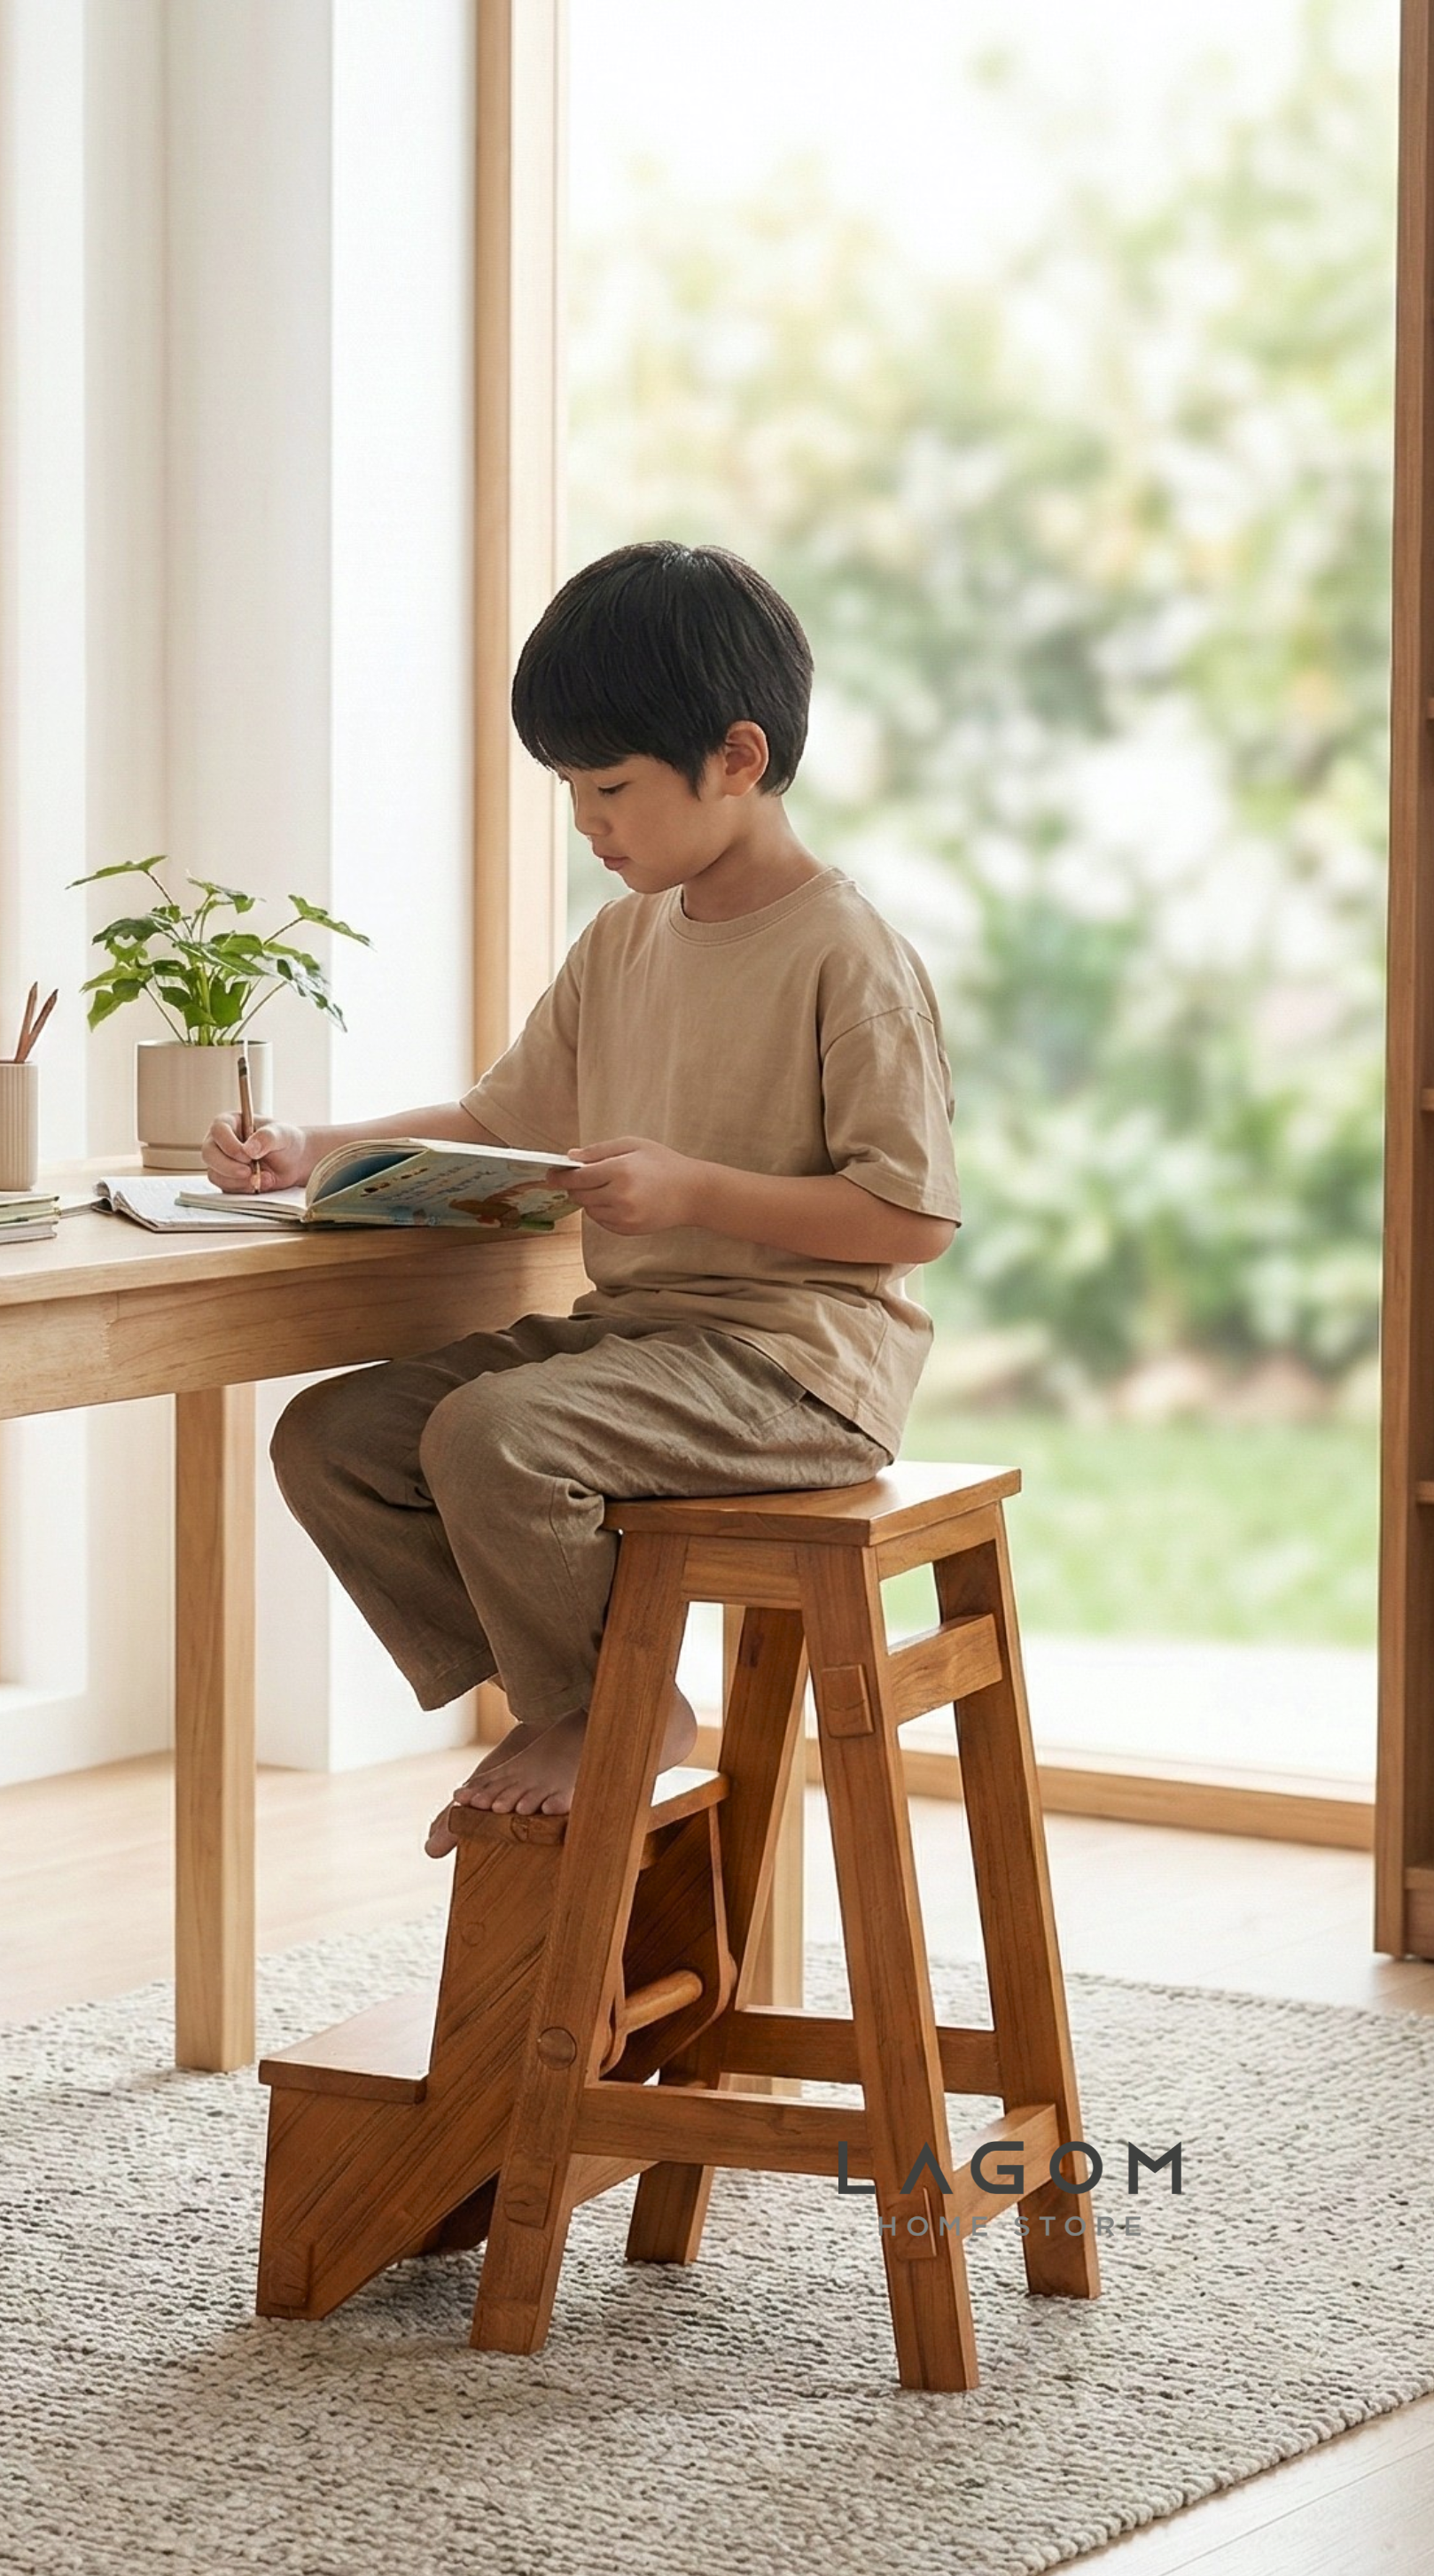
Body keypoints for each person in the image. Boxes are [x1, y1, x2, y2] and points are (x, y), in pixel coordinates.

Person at [204, 541, 960, 1856]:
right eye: (567, 787)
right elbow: (504, 1121)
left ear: (736, 756)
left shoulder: (848, 955)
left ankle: (603, 1706)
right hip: (641, 1351)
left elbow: (913, 1220)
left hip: (797, 1369)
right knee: (331, 1439)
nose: (586, 822)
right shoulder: (620, 941)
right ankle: (574, 1693)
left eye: (608, 785)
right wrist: (318, 1146)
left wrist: (693, 1191)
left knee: (497, 1436)